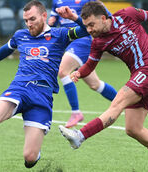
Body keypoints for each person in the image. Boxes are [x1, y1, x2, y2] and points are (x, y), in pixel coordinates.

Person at [0, 0, 89, 169]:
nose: (29, 24)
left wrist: (74, 17)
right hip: (19, 88)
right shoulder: (21, 35)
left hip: (42, 97)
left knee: (30, 157)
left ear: (44, 16)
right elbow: (6, 48)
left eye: (32, 19)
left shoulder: (60, 34)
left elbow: (87, 30)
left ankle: (35, 155)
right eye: (26, 20)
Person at [57, 2, 148, 172]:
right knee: (133, 128)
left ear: (104, 18)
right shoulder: (98, 42)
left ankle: (80, 136)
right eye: (86, 26)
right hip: (139, 74)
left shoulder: (127, 14)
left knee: (118, 102)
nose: (89, 30)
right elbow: (90, 66)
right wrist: (79, 73)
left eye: (91, 24)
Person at [48, 0, 117, 128]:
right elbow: (54, 20)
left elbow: (108, 16)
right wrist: (51, 21)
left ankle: (76, 112)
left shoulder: (88, 1)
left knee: (63, 71)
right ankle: (124, 102)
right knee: (95, 84)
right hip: (67, 42)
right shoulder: (56, 1)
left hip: (81, 41)